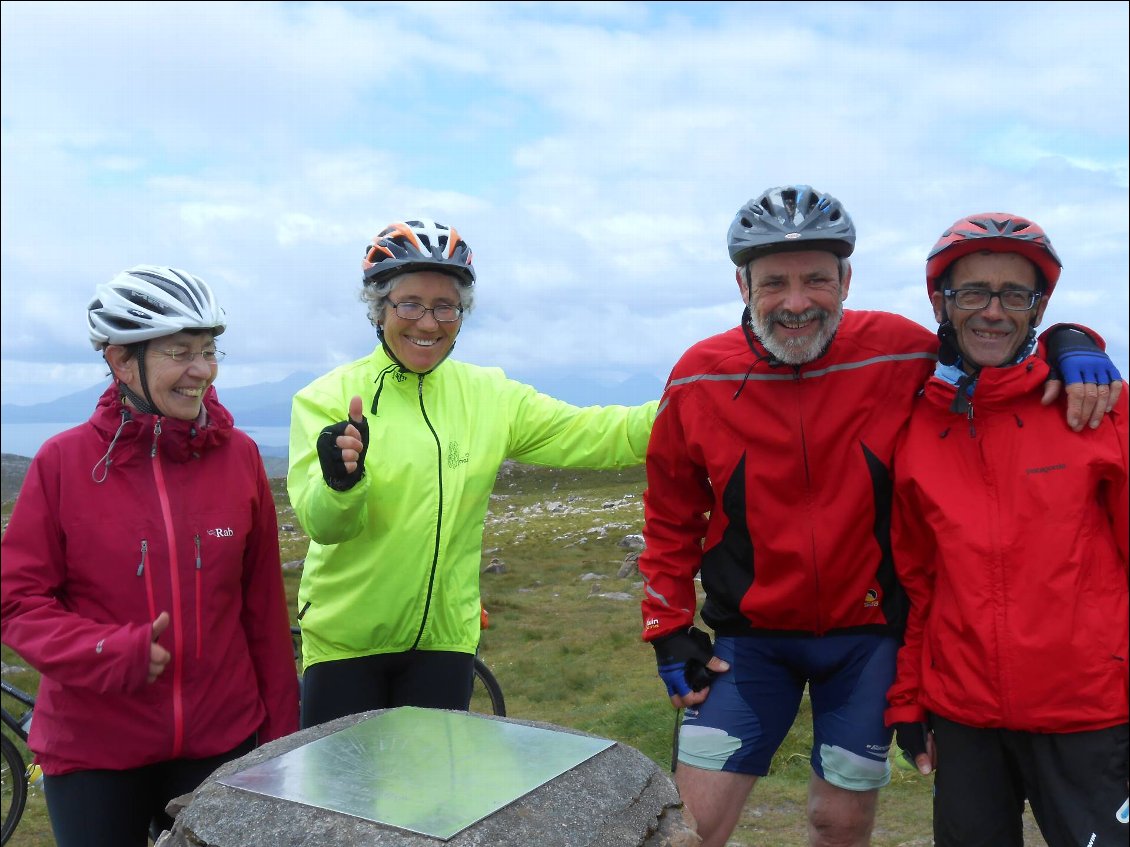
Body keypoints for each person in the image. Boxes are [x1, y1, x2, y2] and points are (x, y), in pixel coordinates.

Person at [636, 185, 1123, 847]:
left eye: (817, 279)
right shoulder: (698, 376)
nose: (797, 301)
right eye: (774, 282)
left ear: (847, 280)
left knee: (838, 823)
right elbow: (670, 510)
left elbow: (994, 345)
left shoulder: (899, 350)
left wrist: (1073, 338)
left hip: (864, 643)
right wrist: (667, 629)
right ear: (742, 283)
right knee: (688, 827)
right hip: (750, 642)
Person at [287, 218, 657, 728]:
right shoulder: (326, 398)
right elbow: (326, 527)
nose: (428, 322)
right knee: (338, 802)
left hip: (444, 645)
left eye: (446, 307)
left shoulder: (490, 395)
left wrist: (693, 403)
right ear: (379, 309)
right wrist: (342, 484)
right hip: (345, 644)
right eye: (410, 304)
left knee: (433, 804)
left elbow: (596, 433)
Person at [0, 266, 299, 847]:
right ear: (119, 361)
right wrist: (109, 650)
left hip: (221, 739)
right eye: (179, 352)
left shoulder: (239, 458)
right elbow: (16, 603)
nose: (203, 371)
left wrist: (281, 741)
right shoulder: (62, 463)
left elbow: (261, 610)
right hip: (94, 749)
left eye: (209, 351)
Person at [884, 213, 1128, 847]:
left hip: (1090, 713)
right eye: (973, 293)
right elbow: (918, 585)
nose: (992, 312)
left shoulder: (1095, 407)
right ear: (942, 302)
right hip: (965, 718)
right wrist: (909, 700)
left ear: (1037, 307)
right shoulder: (918, 430)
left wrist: (1075, 342)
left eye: (1013, 295)